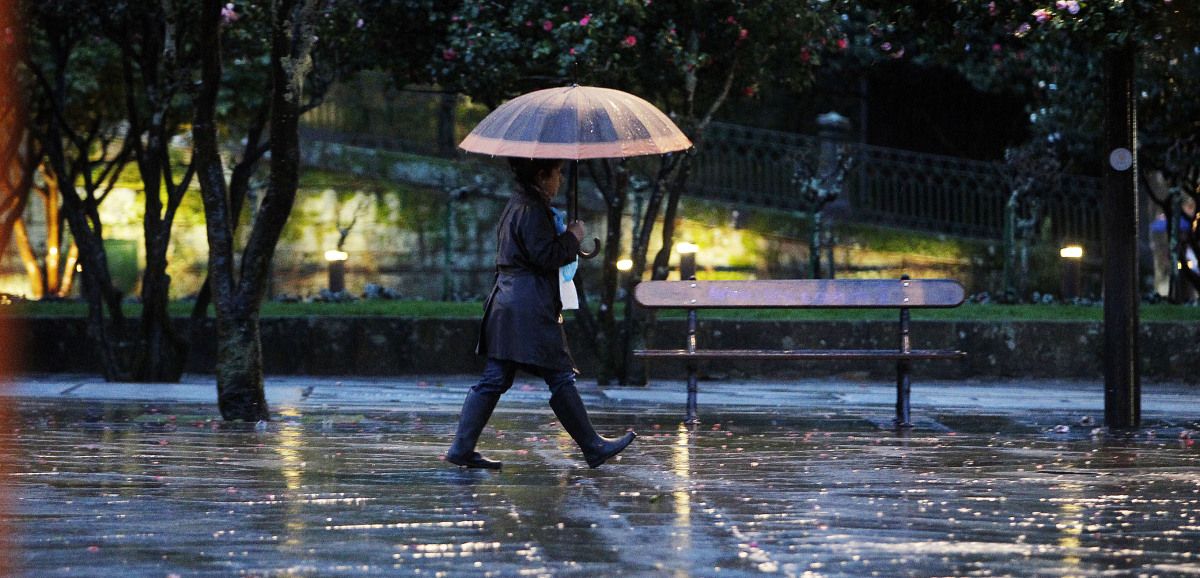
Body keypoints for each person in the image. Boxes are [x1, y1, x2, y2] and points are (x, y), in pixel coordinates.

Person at [445, 157, 636, 469]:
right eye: (557, 173)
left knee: (496, 377)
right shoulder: (532, 209)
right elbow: (545, 256)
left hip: (510, 302)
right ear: (541, 174)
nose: (560, 179)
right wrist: (572, 237)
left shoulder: (520, 204)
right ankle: (592, 446)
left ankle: (462, 448)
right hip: (528, 307)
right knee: (559, 374)